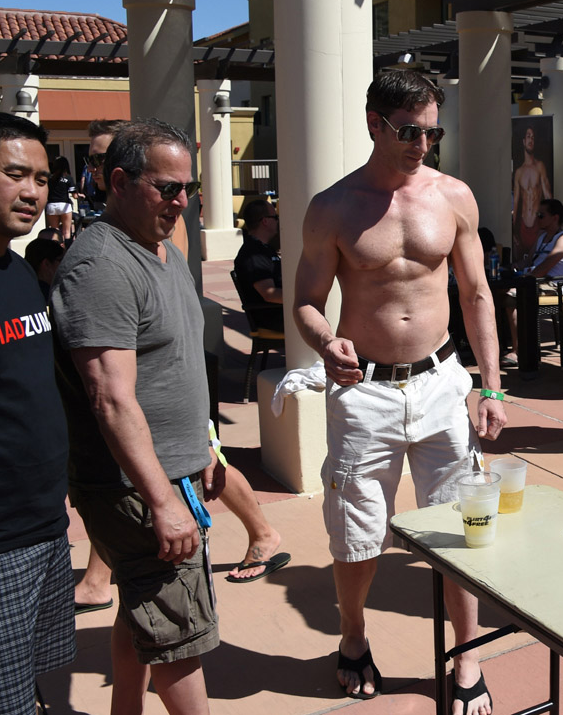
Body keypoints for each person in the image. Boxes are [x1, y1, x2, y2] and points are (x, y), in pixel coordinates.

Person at [293, 69, 506, 710]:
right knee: (358, 535)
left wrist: (492, 387)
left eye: (433, 132)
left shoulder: (454, 197)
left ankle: (467, 658)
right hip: (366, 393)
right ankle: (354, 637)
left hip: (442, 383)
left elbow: (476, 295)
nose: (423, 145)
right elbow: (306, 301)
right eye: (410, 132)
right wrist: (325, 341)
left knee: (462, 527)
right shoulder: (333, 207)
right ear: (374, 125)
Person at [51, 118, 222, 715]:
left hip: (169, 475)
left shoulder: (163, 251)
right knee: (178, 634)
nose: (181, 202)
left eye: (188, 188)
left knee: (145, 608)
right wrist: (162, 499)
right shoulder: (101, 266)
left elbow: (177, 364)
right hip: (134, 488)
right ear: (119, 182)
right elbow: (110, 397)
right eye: (167, 188)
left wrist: (205, 446)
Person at [0, 112, 76, 715]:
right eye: (15, 174)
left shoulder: (16, 267)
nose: (32, 192)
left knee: (26, 685)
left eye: (41, 179)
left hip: (43, 522)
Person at [505, 197, 563, 365]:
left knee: (512, 297)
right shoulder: (542, 236)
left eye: (541, 215)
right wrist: (513, 267)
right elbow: (528, 260)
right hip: (535, 280)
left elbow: (545, 267)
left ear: (555, 217)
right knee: (499, 293)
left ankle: (518, 350)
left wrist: (525, 277)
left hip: (552, 285)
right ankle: (507, 343)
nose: (537, 219)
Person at [233, 198, 283, 332]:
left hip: (281, 313)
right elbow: (270, 294)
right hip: (273, 320)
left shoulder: (265, 249)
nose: (278, 221)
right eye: (275, 217)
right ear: (265, 221)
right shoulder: (253, 254)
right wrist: (302, 297)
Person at [511, 124, 551, 257]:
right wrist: (513, 231)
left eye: (533, 137)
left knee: (537, 260)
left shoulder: (539, 167)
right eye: (528, 136)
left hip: (537, 226)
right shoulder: (519, 172)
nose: (531, 140)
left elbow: (548, 197)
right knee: (521, 262)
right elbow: (516, 204)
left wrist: (551, 227)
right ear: (523, 141)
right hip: (523, 227)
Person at [23, 236, 65, 303]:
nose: (65, 264)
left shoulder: (21, 289)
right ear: (46, 264)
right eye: (61, 260)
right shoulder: (51, 298)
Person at [45, 155, 76, 240]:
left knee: (54, 232)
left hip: (52, 205)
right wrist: (78, 194)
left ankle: (56, 247)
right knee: (67, 232)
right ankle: (67, 246)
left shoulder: (50, 178)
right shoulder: (68, 178)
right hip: (64, 205)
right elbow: (74, 195)